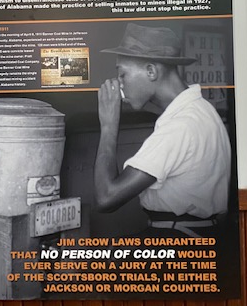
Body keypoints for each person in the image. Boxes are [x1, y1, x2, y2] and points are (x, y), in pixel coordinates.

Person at [94, 23, 231, 237]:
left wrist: (108, 126)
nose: (119, 84)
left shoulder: (180, 125)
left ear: (151, 71)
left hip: (178, 238)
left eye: (123, 75)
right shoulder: (201, 110)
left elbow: (106, 197)